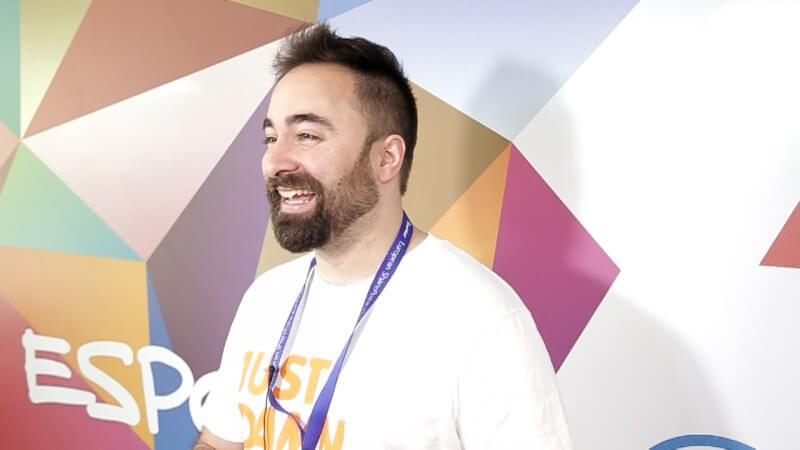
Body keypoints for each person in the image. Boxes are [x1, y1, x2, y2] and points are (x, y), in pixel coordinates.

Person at [194, 23, 573, 450]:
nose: (274, 162)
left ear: (387, 157)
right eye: (271, 137)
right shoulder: (265, 299)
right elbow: (219, 442)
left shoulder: (481, 317)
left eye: (307, 136)